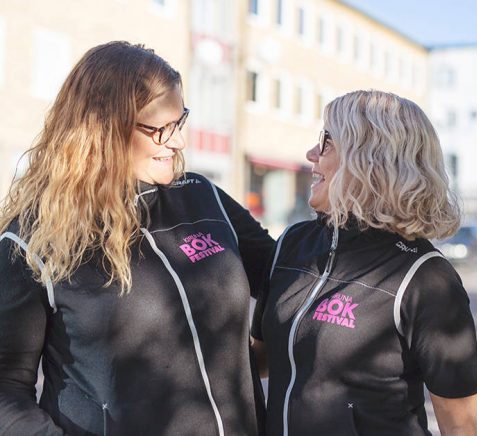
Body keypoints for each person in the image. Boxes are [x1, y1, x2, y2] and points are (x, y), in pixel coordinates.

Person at [0, 41, 273, 435]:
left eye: (180, 122)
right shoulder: (33, 239)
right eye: (160, 128)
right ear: (102, 128)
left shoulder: (203, 197)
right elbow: (6, 388)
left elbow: (288, 279)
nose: (178, 142)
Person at [251, 90, 477, 435]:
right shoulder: (292, 244)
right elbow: (264, 359)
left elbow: (461, 427)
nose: (311, 153)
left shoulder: (426, 278)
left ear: (369, 160)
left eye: (326, 141)